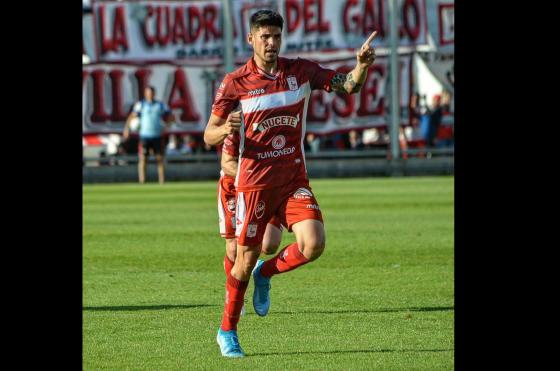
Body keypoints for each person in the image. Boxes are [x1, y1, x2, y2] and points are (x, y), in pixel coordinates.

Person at [203, 9, 376, 357]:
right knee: (244, 257)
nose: (271, 43)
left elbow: (349, 86)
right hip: (254, 184)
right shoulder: (234, 82)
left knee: (313, 244)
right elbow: (209, 134)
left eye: (276, 37)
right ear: (251, 39)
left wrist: (362, 65)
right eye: (264, 37)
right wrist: (227, 129)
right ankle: (227, 331)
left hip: (293, 178)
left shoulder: (300, 71)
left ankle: (266, 275)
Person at [218, 132, 283, 282]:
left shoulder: (281, 117)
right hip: (234, 184)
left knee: (269, 245)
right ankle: (237, 301)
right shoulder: (240, 118)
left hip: (270, 184)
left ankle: (262, 272)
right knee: (234, 249)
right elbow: (227, 163)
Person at [123, 86, 175, 184]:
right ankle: (142, 181)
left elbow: (171, 116)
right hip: (144, 136)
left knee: (159, 159)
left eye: (151, 93)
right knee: (143, 158)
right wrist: (127, 128)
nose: (150, 95)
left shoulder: (160, 105)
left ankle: (162, 182)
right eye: (148, 93)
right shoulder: (141, 105)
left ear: (154, 94)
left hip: (157, 135)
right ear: (145, 94)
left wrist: (167, 125)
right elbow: (131, 116)